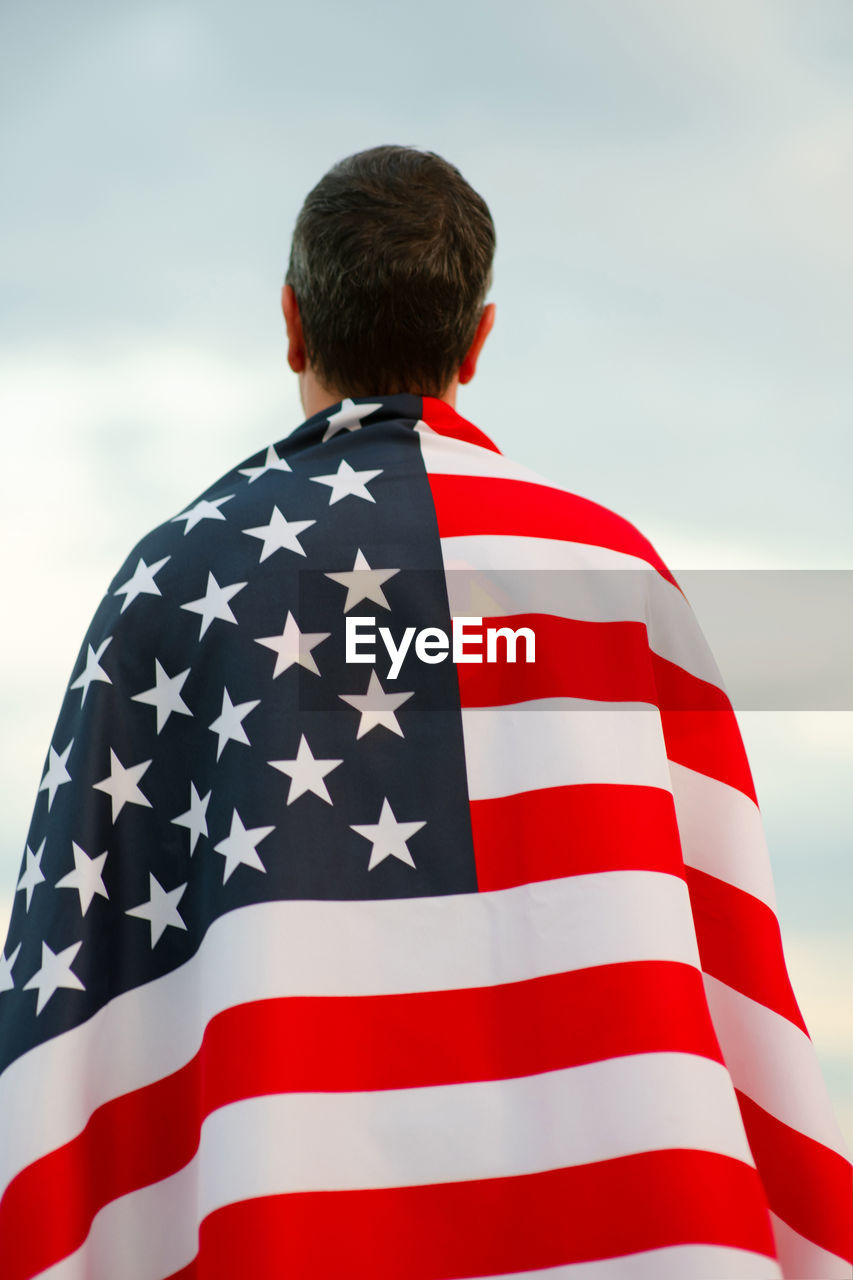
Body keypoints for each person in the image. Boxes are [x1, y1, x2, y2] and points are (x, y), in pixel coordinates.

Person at [0, 145, 849, 1280]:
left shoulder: (176, 580)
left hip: (287, 1227)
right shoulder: (612, 577)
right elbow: (726, 944)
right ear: (478, 340)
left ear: (293, 324)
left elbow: (78, 984)